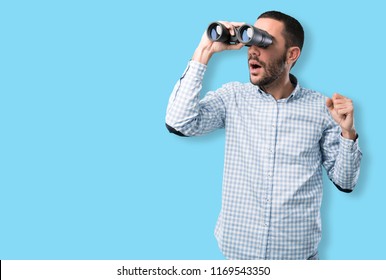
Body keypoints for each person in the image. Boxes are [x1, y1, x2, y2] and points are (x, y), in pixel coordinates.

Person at [165, 11, 362, 260]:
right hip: (238, 258)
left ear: (292, 55)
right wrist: (205, 51)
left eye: (264, 41)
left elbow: (346, 182)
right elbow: (178, 121)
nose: (252, 51)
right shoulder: (232, 97)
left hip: (296, 260)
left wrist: (348, 132)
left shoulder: (322, 109)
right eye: (251, 41)